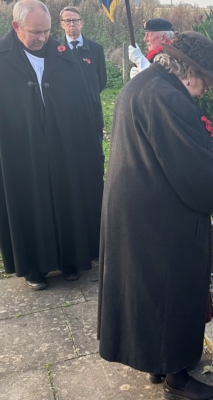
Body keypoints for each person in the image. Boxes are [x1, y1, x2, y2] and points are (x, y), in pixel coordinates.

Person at [97, 32, 213, 400]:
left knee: (152, 292)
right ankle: (177, 379)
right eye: (206, 81)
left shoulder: (144, 83)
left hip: (140, 210)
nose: (205, 90)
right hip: (163, 218)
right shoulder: (169, 98)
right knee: (172, 291)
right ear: (189, 71)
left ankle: (158, 362)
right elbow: (193, 175)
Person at [0, 0, 103, 290]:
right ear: (16, 27)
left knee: (68, 194)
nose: (43, 38)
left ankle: (71, 259)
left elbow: (85, 101)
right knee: (29, 200)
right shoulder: (2, 57)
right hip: (19, 147)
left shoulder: (63, 56)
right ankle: (35, 267)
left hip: (64, 142)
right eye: (36, 32)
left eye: (46, 31)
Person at [58, 6, 107, 163]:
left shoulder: (96, 49)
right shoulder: (53, 50)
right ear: (62, 24)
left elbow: (101, 80)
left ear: (82, 23)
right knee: (69, 158)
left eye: (76, 20)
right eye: (68, 20)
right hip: (65, 115)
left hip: (91, 112)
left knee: (94, 157)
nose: (72, 24)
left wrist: (87, 96)